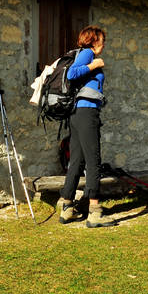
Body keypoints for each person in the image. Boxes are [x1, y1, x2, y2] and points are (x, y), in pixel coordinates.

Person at [58, 27, 111, 227]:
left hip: (77, 115)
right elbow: (72, 74)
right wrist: (94, 65)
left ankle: (67, 208)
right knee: (93, 160)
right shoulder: (88, 54)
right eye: (102, 40)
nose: (104, 44)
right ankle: (95, 212)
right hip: (87, 113)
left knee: (77, 161)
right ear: (93, 40)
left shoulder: (81, 54)